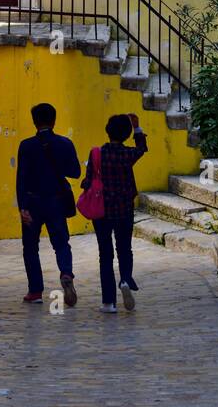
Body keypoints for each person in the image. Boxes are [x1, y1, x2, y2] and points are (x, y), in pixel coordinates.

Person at [81, 112, 147, 313]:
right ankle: (125, 280)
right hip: (124, 209)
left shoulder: (96, 154)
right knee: (124, 249)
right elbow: (142, 148)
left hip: (101, 211)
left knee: (105, 254)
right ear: (126, 134)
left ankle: (108, 303)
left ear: (107, 132)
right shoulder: (127, 155)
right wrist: (137, 127)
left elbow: (88, 180)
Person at [16, 102, 81, 306]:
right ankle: (66, 272)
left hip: (32, 201)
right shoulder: (65, 143)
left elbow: (21, 179)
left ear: (34, 122)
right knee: (61, 243)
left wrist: (22, 207)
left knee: (30, 248)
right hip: (56, 201)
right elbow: (76, 172)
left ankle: (35, 291)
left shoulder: (26, 146)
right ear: (54, 121)